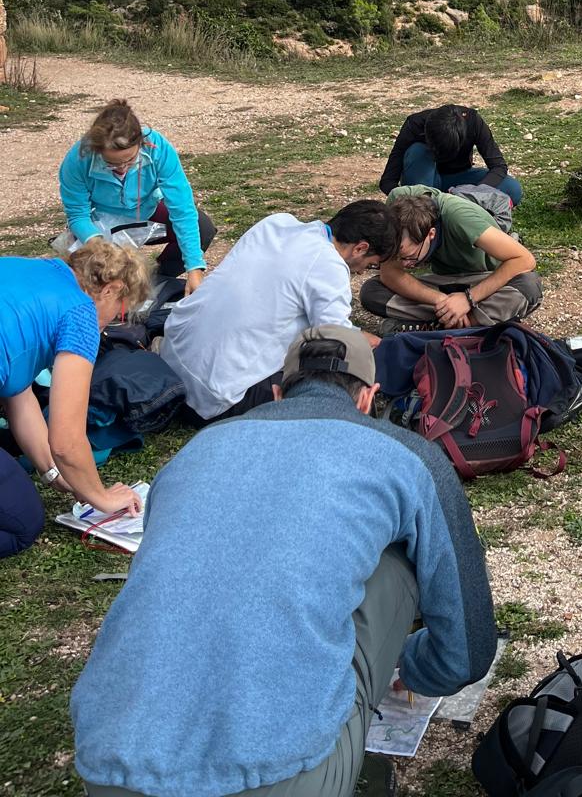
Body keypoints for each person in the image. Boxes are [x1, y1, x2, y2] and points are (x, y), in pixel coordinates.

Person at [72, 323, 497, 797]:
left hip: (108, 766)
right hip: (275, 773)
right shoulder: (407, 455)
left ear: (277, 393)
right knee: (396, 556)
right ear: (367, 398)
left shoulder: (196, 449)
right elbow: (465, 656)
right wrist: (414, 668)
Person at [159, 201, 400, 421]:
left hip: (171, 361)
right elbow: (336, 339)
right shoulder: (329, 265)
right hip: (212, 396)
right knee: (331, 379)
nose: (362, 271)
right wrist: (364, 340)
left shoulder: (277, 223)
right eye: (371, 264)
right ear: (360, 248)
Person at [1, 241, 149, 559]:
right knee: (21, 524)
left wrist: (54, 473)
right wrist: (102, 498)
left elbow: (18, 396)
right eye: (120, 311)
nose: (110, 323)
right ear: (111, 290)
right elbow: (66, 442)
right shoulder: (81, 313)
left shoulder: (33, 268)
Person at [57, 100, 216, 296]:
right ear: (97, 151)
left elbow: (182, 208)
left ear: (141, 143)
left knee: (203, 227)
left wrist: (194, 268)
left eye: (131, 160)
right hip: (100, 222)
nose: (122, 168)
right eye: (111, 164)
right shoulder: (77, 160)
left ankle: (152, 282)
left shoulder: (158, 148)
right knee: (91, 275)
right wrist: (100, 247)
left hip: (146, 210)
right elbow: (77, 215)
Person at [359, 187, 542, 327]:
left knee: (528, 284)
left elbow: (524, 259)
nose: (405, 264)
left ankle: (435, 326)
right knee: (372, 290)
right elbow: (390, 274)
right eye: (397, 256)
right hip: (443, 284)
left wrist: (468, 299)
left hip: (482, 281)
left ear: (431, 234)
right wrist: (442, 302)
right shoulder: (395, 206)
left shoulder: (460, 217)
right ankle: (470, 323)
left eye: (409, 257)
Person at [378, 104, 523, 205]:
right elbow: (388, 181)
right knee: (417, 151)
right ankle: (426, 206)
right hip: (424, 183)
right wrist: (406, 202)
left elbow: (498, 167)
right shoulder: (415, 125)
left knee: (512, 189)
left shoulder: (473, 122)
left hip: (458, 180)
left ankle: (445, 205)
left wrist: (475, 192)